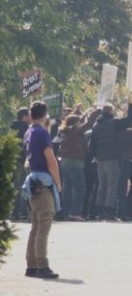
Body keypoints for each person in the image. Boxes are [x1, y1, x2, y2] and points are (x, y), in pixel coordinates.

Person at [22, 101, 62, 279]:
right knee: (44, 225)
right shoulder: (42, 133)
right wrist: (58, 181)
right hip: (43, 181)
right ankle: (42, 265)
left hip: (32, 179)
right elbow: (50, 158)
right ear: (45, 114)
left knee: (36, 226)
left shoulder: (29, 132)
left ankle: (31, 265)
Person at [90, 101, 132, 220]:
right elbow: (131, 119)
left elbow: (92, 144)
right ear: (111, 112)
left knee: (102, 185)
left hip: (100, 159)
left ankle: (99, 210)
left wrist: (95, 156)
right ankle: (109, 211)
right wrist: (130, 106)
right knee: (112, 186)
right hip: (112, 158)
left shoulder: (96, 126)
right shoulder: (115, 123)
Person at [58, 107, 100, 221]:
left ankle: (66, 212)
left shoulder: (66, 131)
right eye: (79, 121)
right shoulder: (75, 131)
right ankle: (75, 212)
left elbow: (79, 122)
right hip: (75, 162)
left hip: (65, 162)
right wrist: (96, 112)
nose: (80, 122)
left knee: (67, 188)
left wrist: (84, 112)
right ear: (75, 123)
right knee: (80, 188)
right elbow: (88, 125)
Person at [10, 107, 30, 221]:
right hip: (22, 160)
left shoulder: (12, 127)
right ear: (24, 116)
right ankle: (22, 211)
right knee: (22, 186)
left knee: (15, 186)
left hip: (13, 159)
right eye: (28, 115)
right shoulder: (25, 128)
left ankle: (14, 212)